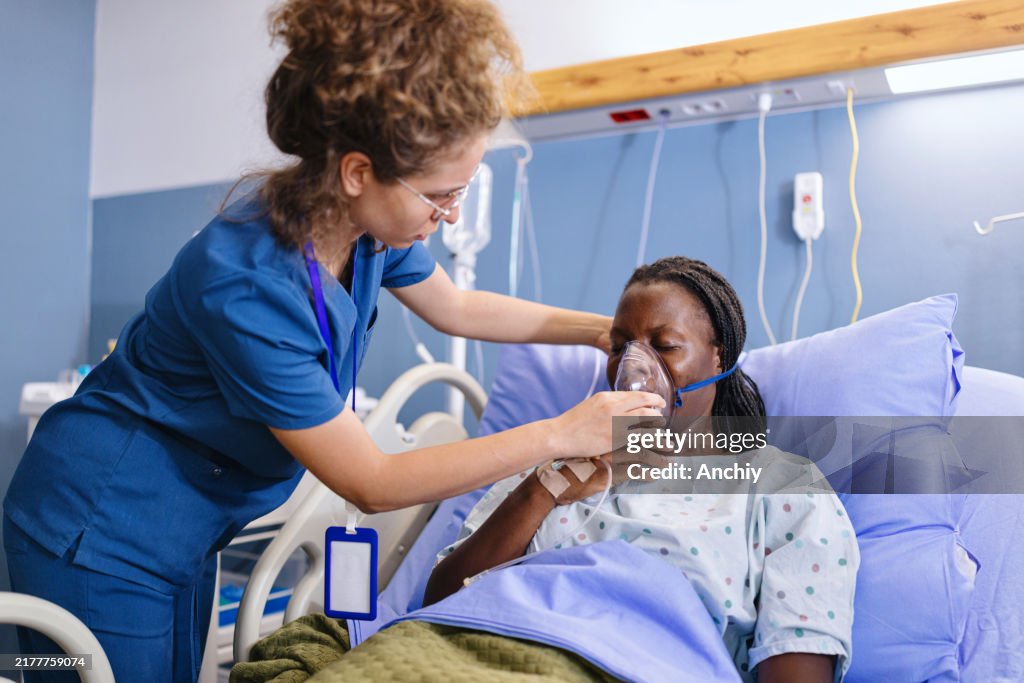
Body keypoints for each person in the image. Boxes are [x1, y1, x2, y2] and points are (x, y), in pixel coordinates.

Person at [2, 1, 663, 681]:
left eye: (462, 191)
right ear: (356, 172)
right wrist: (559, 433)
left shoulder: (367, 229)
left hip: (185, 525)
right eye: (439, 196)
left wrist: (603, 332)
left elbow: (458, 307)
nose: (450, 216)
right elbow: (373, 481)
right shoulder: (244, 281)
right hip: (96, 523)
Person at [425, 256, 860, 683]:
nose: (635, 367)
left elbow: (797, 664)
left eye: (665, 345)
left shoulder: (785, 486)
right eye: (620, 347)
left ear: (718, 358)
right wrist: (543, 489)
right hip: (473, 654)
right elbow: (439, 602)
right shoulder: (552, 466)